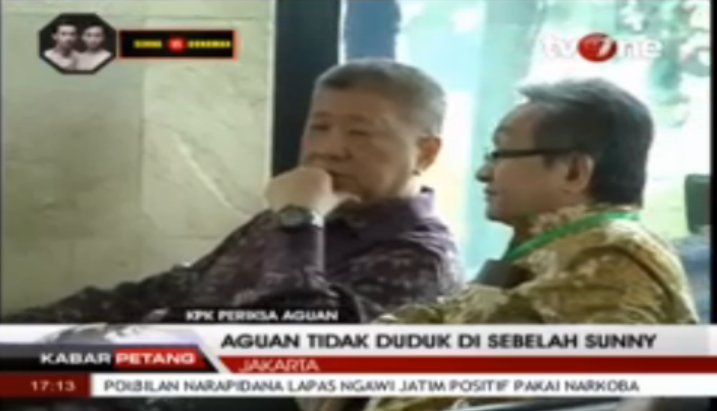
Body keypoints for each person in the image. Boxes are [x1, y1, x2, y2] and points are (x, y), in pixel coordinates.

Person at [306, 78, 700, 411]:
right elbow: (436, 323)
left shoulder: (608, 260)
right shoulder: (557, 248)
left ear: (574, 171)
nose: (483, 172)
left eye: (501, 154)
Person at [3, 59, 461, 325]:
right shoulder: (295, 217)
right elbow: (178, 290)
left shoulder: (418, 256)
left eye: (360, 133)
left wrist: (299, 219)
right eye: (319, 127)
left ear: (425, 153)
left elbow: (299, 348)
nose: (328, 149)